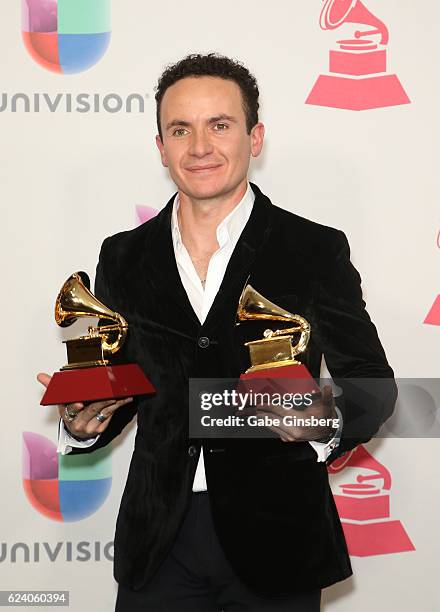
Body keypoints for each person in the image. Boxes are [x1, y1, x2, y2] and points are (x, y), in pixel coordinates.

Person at [38, 53, 397, 611]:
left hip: (278, 540)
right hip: (158, 540)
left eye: (219, 125)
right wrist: (84, 422)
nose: (200, 147)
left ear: (255, 138)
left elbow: (374, 386)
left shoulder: (313, 249)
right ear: (161, 146)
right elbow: (127, 391)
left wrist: (319, 421)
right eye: (180, 129)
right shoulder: (123, 257)